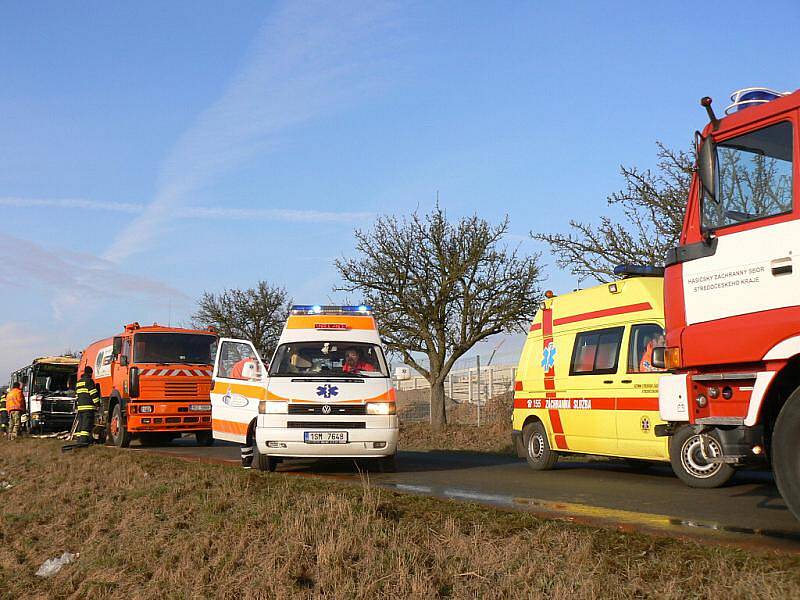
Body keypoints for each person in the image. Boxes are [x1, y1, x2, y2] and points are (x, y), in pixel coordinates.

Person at [73, 366, 101, 446]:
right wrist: (98, 404)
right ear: (90, 373)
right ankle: (84, 442)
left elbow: (77, 395)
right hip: (88, 408)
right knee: (86, 425)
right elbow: (93, 394)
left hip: (80, 408)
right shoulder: (89, 381)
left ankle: (79, 440)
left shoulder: (79, 382)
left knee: (81, 425)